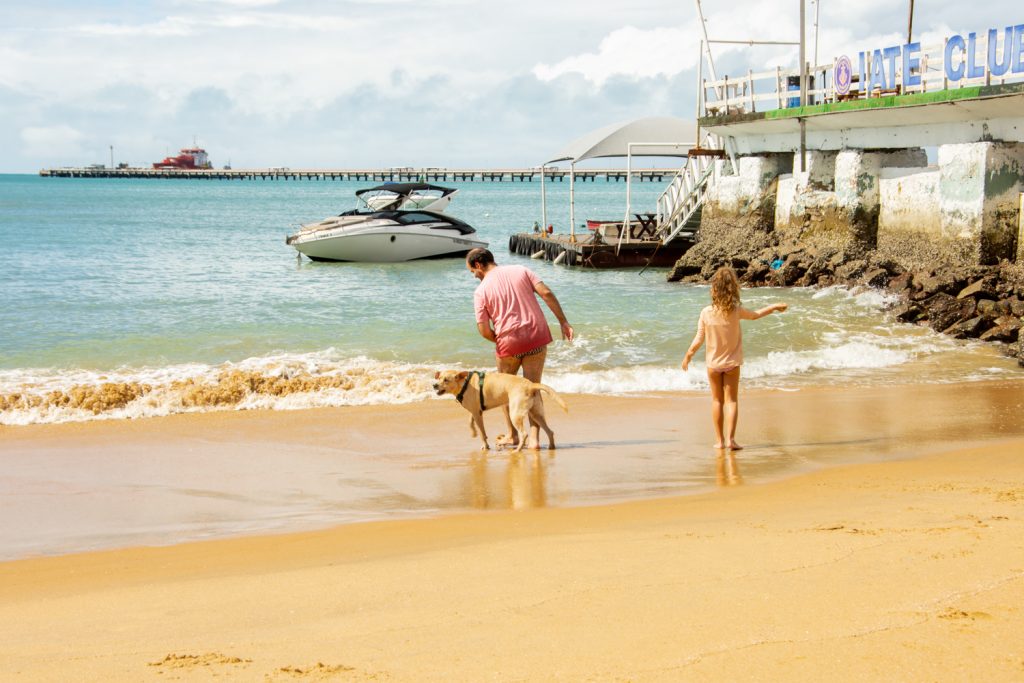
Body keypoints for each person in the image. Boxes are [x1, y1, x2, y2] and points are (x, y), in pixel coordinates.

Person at [467, 247, 574, 448]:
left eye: (473, 271)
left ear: (478, 265)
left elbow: (484, 330)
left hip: (509, 344)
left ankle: (513, 435)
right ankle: (534, 439)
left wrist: (500, 340)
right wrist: (563, 322)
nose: (474, 276)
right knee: (533, 388)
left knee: (505, 391)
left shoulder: (480, 291)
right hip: (536, 337)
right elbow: (546, 293)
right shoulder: (521, 270)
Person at [680, 266, 787, 450]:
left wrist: (688, 355)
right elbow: (755, 315)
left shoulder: (706, 312)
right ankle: (731, 440)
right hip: (732, 364)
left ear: (714, 289)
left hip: (713, 365)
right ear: (733, 288)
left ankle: (720, 441)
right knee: (731, 401)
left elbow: (699, 338)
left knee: (716, 401)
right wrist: (774, 307)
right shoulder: (736, 310)